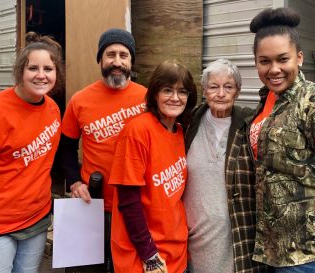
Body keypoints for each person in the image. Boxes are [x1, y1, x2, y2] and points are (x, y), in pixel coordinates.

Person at [59, 28, 147, 272]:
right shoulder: (80, 100)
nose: (116, 62)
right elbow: (65, 149)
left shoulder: (148, 99)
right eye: (110, 54)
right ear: (100, 59)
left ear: (131, 61)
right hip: (90, 204)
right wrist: (75, 182)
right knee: (84, 268)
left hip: (133, 207)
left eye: (123, 55)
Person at [108, 59, 197, 273]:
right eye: (167, 90)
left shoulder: (179, 132)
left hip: (176, 252)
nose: (175, 98)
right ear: (155, 93)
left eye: (182, 92)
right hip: (144, 257)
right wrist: (149, 255)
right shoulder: (138, 131)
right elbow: (128, 201)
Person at [183, 58, 270, 273]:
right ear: (204, 90)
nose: (220, 93)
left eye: (228, 87)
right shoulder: (188, 124)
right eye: (214, 86)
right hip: (195, 237)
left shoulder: (250, 124)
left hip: (238, 237)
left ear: (238, 91)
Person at [248, 7, 315, 272]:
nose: (274, 69)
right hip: (272, 249)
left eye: (282, 59)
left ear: (299, 58)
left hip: (305, 254)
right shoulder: (267, 101)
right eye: (265, 61)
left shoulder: (309, 102)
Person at [0, 32, 64, 273]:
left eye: (48, 68)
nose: (41, 75)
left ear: (57, 74)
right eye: (33, 68)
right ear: (20, 72)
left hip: (36, 218)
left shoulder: (53, 109)